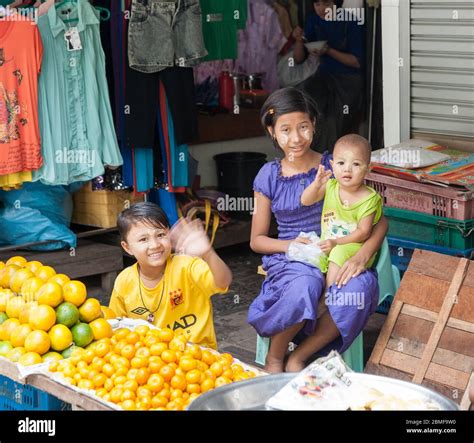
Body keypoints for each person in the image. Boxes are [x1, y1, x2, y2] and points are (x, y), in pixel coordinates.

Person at [248, 87, 387, 373]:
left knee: (357, 290)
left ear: (314, 124)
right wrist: (292, 246)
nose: (296, 138)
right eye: (285, 130)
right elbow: (257, 240)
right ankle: (276, 356)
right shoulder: (268, 176)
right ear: (272, 132)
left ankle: (300, 355)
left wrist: (363, 255)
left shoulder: (335, 165)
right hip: (292, 259)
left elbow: (378, 219)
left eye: (303, 127)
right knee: (306, 285)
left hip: (339, 250)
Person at [109, 202, 232, 350]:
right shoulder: (124, 281)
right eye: (143, 239)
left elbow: (223, 281)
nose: (155, 245)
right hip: (151, 364)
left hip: (198, 358)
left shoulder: (188, 266)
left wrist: (208, 253)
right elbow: (116, 327)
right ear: (127, 247)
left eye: (161, 235)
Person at [301, 133, 382, 294]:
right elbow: (305, 200)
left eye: (356, 164)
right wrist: (316, 185)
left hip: (355, 247)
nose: (347, 169)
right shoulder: (330, 186)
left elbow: (364, 233)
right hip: (329, 243)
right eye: (341, 163)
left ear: (368, 168)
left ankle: (327, 297)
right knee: (306, 256)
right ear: (332, 165)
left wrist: (337, 243)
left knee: (337, 253)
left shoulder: (369, 198)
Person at [292, 0, 365, 153]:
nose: (321, 9)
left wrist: (329, 51)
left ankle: (329, 163)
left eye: (326, 4)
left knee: (333, 123)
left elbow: (356, 62)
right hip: (323, 77)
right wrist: (299, 40)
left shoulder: (350, 21)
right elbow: (298, 59)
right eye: (317, 4)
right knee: (307, 108)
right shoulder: (314, 20)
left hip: (347, 80)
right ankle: (311, 160)